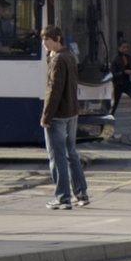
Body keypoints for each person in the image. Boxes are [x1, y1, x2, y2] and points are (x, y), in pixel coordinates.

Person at [40, 25, 89, 210]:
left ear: (57, 39)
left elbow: (54, 90)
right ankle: (81, 193)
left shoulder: (58, 60)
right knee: (71, 154)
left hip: (58, 114)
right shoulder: (69, 56)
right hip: (71, 112)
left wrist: (46, 116)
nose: (44, 43)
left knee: (57, 156)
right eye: (43, 40)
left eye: (47, 39)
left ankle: (62, 197)